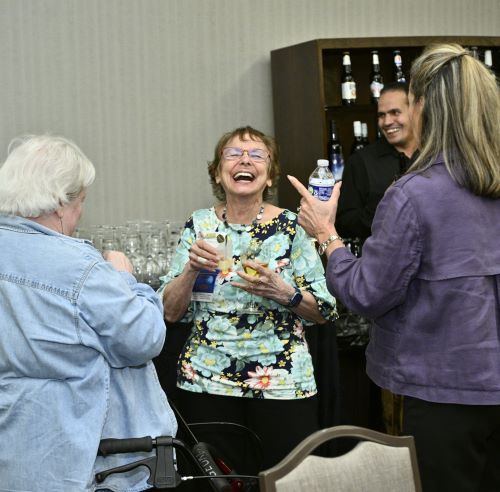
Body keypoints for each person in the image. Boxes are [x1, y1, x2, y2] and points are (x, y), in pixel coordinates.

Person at [288, 43, 500, 492]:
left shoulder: (412, 195)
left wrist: (327, 237)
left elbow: (367, 293)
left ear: (425, 108)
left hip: (440, 391)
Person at [0, 135, 177, 492]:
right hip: (84, 450)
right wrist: (125, 278)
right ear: (61, 203)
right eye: (81, 201)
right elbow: (144, 338)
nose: (80, 212)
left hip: (16, 441)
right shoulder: (82, 269)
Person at [159, 125, 337, 470]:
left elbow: (325, 310)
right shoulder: (198, 225)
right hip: (205, 384)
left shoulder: (291, 227)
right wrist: (191, 271)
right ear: (217, 172)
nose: (245, 160)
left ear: (270, 176)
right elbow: (169, 312)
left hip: (282, 385)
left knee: (286, 483)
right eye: (233, 154)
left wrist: (284, 293)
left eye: (257, 155)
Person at [336, 82, 417, 243]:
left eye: (395, 112)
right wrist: (382, 207)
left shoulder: (435, 155)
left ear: (414, 111)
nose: (386, 122)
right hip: (385, 263)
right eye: (381, 115)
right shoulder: (361, 161)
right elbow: (344, 224)